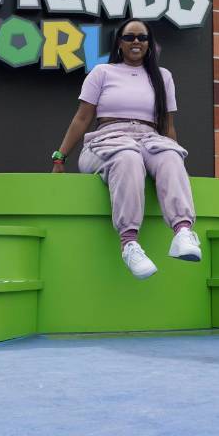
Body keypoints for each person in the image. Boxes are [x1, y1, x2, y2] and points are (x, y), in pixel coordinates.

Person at [53, 19, 201, 280]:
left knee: (169, 155)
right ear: (119, 43)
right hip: (108, 140)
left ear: (149, 44)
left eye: (142, 38)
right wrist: (60, 156)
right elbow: (82, 117)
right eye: (130, 37)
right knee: (128, 158)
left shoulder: (163, 77)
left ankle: (182, 232)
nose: (136, 42)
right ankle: (129, 243)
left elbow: (167, 124)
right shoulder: (102, 72)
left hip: (149, 138)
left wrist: (174, 156)